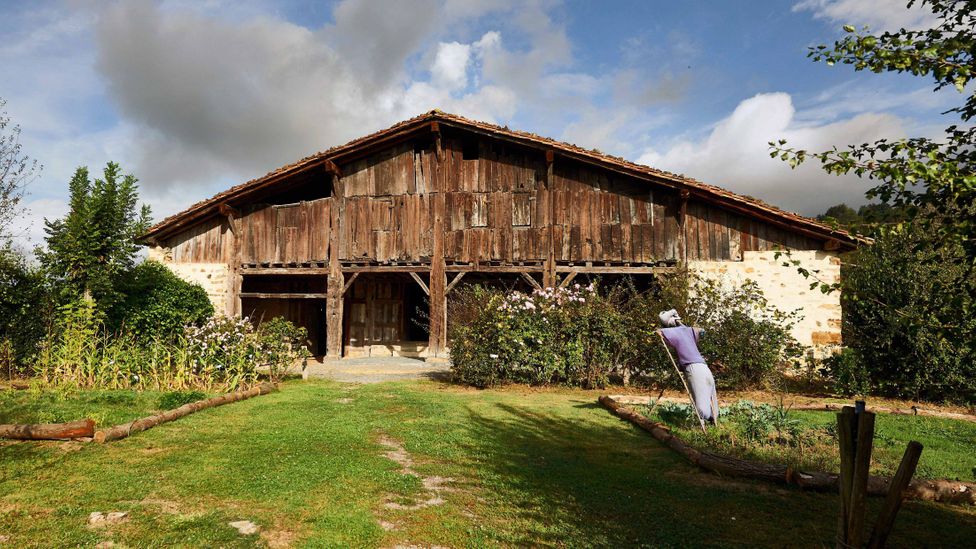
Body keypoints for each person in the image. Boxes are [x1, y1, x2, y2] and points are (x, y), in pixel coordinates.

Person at [657, 309, 719, 424]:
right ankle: (712, 418)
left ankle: (704, 420)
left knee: (700, 405)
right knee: (710, 395)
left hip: (693, 368)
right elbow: (702, 331)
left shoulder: (675, 332)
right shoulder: (689, 331)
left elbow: (660, 328)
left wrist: (671, 314)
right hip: (703, 366)